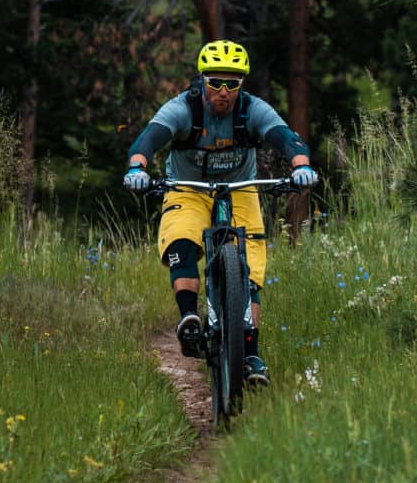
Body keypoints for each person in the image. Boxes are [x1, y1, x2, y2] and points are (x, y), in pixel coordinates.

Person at [123, 39, 318, 385]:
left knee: (252, 267)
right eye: (216, 82)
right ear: (202, 81)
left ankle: (251, 353)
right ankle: (189, 320)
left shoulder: (253, 110)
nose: (223, 91)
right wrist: (138, 169)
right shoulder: (183, 109)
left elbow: (287, 139)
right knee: (180, 241)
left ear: (241, 84)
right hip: (188, 187)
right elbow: (147, 140)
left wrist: (301, 166)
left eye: (232, 83)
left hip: (240, 189)